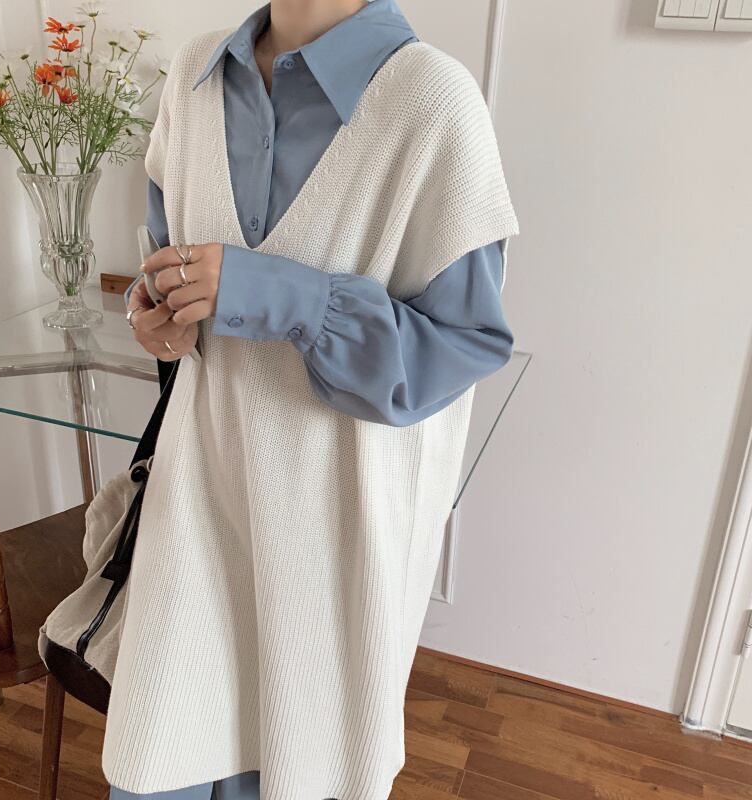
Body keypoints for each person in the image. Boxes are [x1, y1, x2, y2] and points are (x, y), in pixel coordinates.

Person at [111, 1, 518, 798]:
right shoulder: (194, 77)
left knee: (300, 767)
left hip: (333, 542)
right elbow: (162, 263)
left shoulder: (433, 101)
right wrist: (154, 316)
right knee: (160, 756)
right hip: (196, 505)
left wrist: (281, 294)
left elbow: (462, 344)